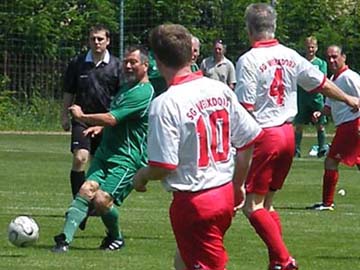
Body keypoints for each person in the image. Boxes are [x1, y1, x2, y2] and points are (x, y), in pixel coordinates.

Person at [235, 3, 360, 270]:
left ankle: (284, 260)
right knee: (267, 205)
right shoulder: (290, 55)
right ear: (274, 27)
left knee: (251, 206)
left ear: (249, 29)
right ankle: (276, 263)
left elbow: (245, 109)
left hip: (265, 135)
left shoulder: (248, 60)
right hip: (288, 135)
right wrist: (348, 97)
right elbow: (320, 82)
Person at [133, 23, 262, 270]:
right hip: (223, 192)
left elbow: (164, 165)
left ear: (156, 61)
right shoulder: (218, 89)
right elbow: (248, 140)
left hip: (195, 202)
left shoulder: (165, 104)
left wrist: (141, 176)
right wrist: (238, 184)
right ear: (189, 53)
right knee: (184, 258)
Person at [52, 45, 154, 252]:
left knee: (101, 200)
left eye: (133, 62)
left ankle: (116, 237)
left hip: (126, 159)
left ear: (145, 65)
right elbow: (117, 116)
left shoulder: (144, 92)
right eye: (125, 61)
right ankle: (64, 240)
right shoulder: (126, 89)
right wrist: (100, 126)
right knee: (85, 189)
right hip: (105, 153)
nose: (127, 65)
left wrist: (82, 118)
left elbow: (112, 117)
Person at [61, 24, 122, 230]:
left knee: (98, 166)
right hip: (81, 119)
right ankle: (81, 209)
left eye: (100, 39)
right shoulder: (78, 63)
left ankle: (92, 204)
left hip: (105, 123)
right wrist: (64, 115)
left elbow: (121, 98)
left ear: (108, 41)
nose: (96, 42)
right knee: (80, 158)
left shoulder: (116, 66)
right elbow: (69, 91)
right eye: (93, 39)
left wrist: (111, 121)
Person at [309, 45, 360, 211]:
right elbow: (330, 107)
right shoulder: (334, 79)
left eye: (335, 56)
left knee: (331, 161)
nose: (331, 60)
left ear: (344, 57)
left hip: (352, 125)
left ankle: (327, 203)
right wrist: (320, 112)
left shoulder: (349, 77)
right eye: (329, 57)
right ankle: (326, 202)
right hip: (345, 126)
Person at [294, 36, 328, 158]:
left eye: (312, 47)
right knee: (299, 125)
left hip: (316, 97)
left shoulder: (321, 63)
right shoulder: (300, 62)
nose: (310, 49)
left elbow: (322, 78)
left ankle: (322, 148)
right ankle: (296, 150)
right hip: (302, 97)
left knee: (320, 124)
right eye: (308, 47)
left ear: (316, 48)